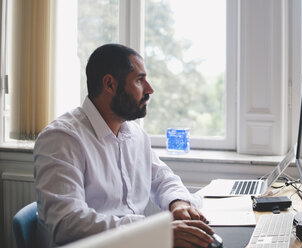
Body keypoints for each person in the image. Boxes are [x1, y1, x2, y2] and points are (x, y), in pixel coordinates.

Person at [34, 43, 214, 248]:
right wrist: (153, 232)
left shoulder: (135, 134)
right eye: (140, 80)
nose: (150, 89)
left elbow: (163, 178)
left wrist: (178, 203)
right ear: (110, 84)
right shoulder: (61, 139)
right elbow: (67, 224)